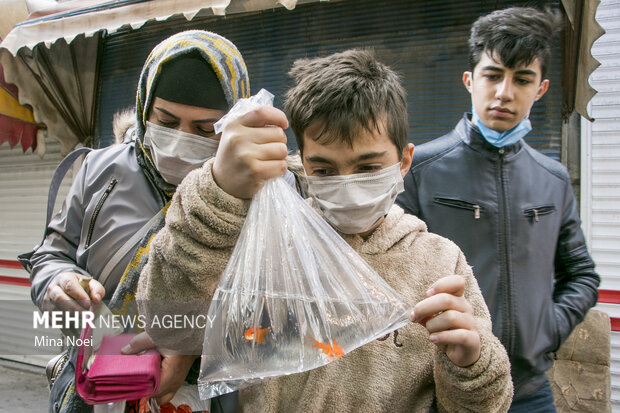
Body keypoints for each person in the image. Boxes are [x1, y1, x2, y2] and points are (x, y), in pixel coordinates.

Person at [136, 49, 513, 412]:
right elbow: (171, 320)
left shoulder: (439, 263)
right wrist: (219, 191)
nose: (347, 185)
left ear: (404, 161)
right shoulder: (267, 244)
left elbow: (481, 406)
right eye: (325, 170)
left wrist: (471, 364)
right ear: (301, 163)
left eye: (367, 168)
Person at [26, 30, 251, 412]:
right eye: (165, 120)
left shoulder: (253, 190)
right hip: (96, 385)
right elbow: (50, 255)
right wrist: (57, 282)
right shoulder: (99, 170)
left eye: (203, 129)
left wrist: (187, 343)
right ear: (145, 108)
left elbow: (270, 311)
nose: (181, 140)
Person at [395, 7, 601, 412]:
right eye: (493, 75)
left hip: (530, 392)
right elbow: (388, 268)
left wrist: (546, 331)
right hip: (445, 388)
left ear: (540, 89)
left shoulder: (553, 179)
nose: (504, 92)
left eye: (522, 79)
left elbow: (582, 274)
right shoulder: (419, 168)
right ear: (470, 80)